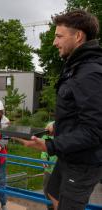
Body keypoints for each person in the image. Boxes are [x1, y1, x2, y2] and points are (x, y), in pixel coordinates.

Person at [16, 10, 102, 210]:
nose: (54, 42)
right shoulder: (77, 66)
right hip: (69, 155)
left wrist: (50, 146)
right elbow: (79, 110)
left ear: (78, 36)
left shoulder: (90, 73)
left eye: (59, 36)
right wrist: (58, 124)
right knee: (52, 191)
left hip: (83, 162)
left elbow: (95, 130)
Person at [40, 122, 57, 210]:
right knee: (46, 189)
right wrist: (44, 159)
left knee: (58, 191)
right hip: (49, 169)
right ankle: (50, 207)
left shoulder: (62, 136)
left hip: (59, 169)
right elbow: (43, 150)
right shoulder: (46, 136)